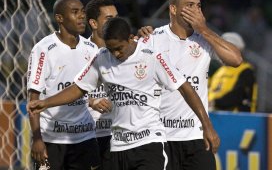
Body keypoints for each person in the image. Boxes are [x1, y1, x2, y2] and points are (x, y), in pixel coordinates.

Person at [27, 17, 220, 170]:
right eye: (111, 50)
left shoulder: (152, 57)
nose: (116, 54)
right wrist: (46, 103)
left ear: (130, 38)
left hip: (149, 143)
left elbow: (186, 88)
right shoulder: (102, 58)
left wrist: (207, 127)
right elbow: (78, 88)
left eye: (119, 49)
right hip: (118, 146)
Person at [138, 0, 242, 170]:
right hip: (161, 136)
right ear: (173, 9)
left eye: (199, 6)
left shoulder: (204, 39)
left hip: (197, 136)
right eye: (189, 5)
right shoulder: (153, 38)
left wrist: (204, 29)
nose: (196, 10)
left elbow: (236, 60)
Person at [26, 0, 101, 170]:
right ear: (59, 18)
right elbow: (34, 99)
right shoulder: (43, 50)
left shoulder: (92, 49)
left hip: (84, 138)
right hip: (52, 139)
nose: (82, 16)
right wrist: (37, 139)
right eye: (75, 12)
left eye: (83, 12)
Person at [85, 0, 117, 170]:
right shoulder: (80, 52)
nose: (115, 23)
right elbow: (64, 91)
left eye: (117, 17)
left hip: (117, 136)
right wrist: (91, 101)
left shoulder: (126, 50)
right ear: (93, 23)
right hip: (87, 135)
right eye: (109, 19)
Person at [209, 32, 257, 112]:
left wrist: (215, 103)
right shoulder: (219, 71)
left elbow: (238, 95)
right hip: (214, 116)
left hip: (237, 119)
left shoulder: (246, 71)